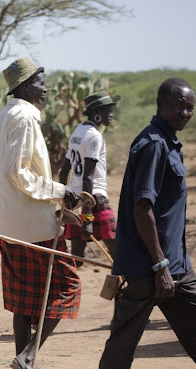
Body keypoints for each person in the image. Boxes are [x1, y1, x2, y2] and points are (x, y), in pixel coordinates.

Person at [79, 78, 196, 369]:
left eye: (190, 108)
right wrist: (160, 265)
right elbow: (143, 208)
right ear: (160, 103)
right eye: (179, 105)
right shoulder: (152, 145)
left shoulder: (168, 142)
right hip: (153, 268)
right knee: (125, 340)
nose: (185, 112)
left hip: (173, 264)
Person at [0, 57, 81, 369]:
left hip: (9, 220)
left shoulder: (3, 114)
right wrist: (63, 191)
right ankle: (28, 357)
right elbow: (19, 172)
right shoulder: (26, 115)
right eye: (40, 82)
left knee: (22, 301)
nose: (45, 88)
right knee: (68, 287)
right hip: (34, 222)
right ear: (25, 86)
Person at [58, 91, 118, 261]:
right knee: (117, 254)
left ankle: (67, 286)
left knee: (77, 258)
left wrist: (66, 205)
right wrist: (88, 218)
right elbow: (87, 178)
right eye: (107, 110)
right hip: (94, 199)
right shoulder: (94, 136)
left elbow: (64, 172)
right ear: (96, 114)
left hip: (76, 200)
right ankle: (124, 286)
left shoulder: (78, 131)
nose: (111, 115)